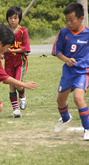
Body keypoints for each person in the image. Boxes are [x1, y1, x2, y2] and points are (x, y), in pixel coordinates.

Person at [52, 2, 89, 140]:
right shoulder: (63, 33)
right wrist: (66, 59)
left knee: (78, 98)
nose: (68, 23)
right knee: (60, 101)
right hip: (68, 72)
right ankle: (65, 118)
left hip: (83, 72)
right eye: (66, 20)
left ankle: (87, 130)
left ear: (81, 19)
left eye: (71, 20)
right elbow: (57, 51)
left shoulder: (87, 34)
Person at [2, 6, 30, 118]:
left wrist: (11, 50)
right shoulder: (5, 31)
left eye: (15, 18)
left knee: (18, 82)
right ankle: (16, 110)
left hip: (20, 61)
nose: (12, 20)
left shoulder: (23, 31)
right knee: (11, 85)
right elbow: (0, 46)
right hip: (9, 61)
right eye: (10, 18)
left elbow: (25, 48)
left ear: (19, 19)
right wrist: (2, 53)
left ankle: (22, 95)